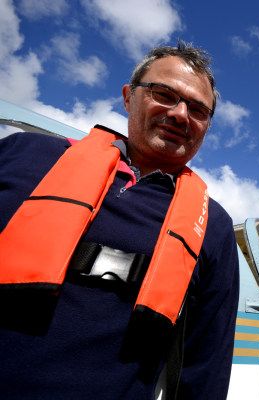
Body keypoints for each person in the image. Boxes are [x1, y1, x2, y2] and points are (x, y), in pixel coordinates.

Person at [0, 41, 239, 399]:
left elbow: (206, 364)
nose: (179, 114)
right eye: (164, 94)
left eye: (198, 110)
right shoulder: (23, 154)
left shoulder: (214, 226)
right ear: (128, 96)